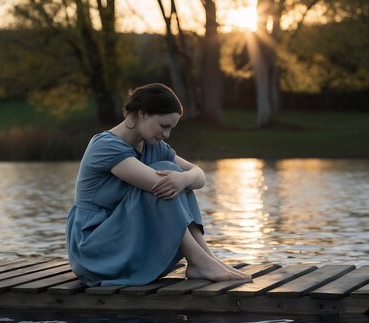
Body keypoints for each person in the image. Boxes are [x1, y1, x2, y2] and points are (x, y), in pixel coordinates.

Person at [66, 83, 250, 287]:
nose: (167, 134)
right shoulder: (105, 146)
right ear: (143, 114)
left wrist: (185, 179)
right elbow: (159, 184)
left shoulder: (153, 146)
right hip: (94, 250)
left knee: (178, 179)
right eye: (164, 126)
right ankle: (199, 261)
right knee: (166, 180)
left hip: (124, 237)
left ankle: (206, 258)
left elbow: (198, 175)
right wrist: (180, 179)